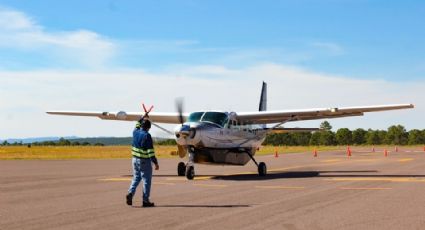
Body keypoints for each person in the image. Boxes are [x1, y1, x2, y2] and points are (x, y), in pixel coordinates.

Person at [126, 119, 159, 207]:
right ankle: (145, 201)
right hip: (144, 161)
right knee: (146, 180)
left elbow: (137, 123)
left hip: (134, 160)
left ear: (141, 126)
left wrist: (142, 117)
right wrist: (155, 163)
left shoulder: (135, 131)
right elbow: (150, 152)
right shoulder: (147, 136)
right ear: (148, 127)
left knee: (136, 178)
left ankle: (130, 193)